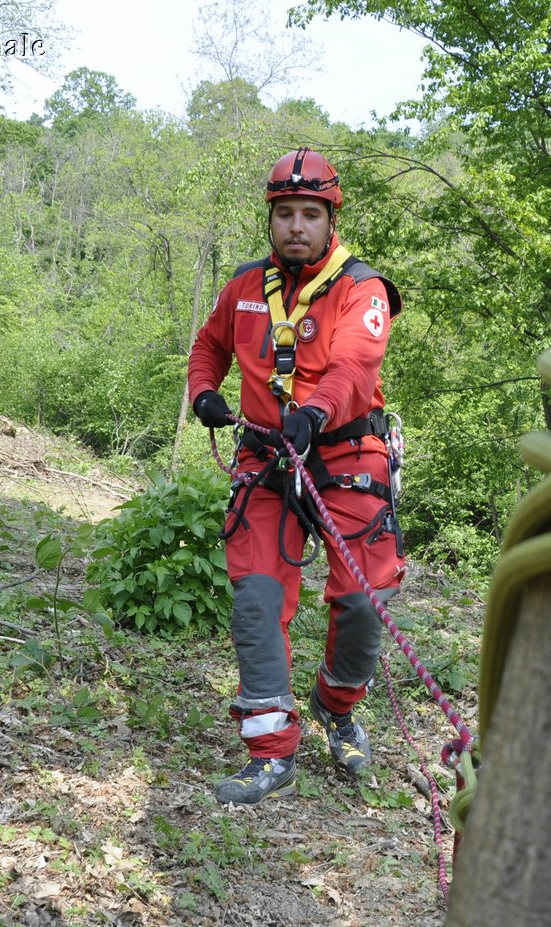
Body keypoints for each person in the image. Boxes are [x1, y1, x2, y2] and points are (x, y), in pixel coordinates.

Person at [187, 147, 406, 805]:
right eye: (285, 213)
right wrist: (204, 392)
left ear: (330, 218)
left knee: (365, 599)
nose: (296, 226)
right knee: (256, 600)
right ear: (271, 218)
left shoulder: (362, 290)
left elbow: (355, 369)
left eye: (310, 213)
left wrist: (312, 412)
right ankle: (271, 752)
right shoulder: (245, 288)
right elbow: (209, 345)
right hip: (264, 456)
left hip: (344, 451)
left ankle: (335, 705)